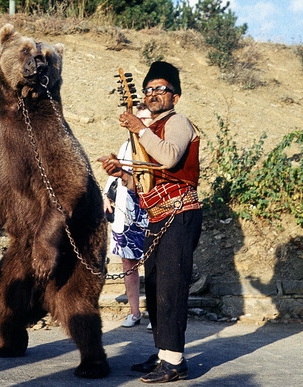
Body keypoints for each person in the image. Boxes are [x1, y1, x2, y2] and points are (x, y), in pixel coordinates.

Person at [100, 61, 202, 383]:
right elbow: (146, 184)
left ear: (175, 96)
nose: (154, 94)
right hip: (158, 218)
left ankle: (175, 362)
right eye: (149, 90)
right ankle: (163, 354)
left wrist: (139, 129)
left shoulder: (178, 122)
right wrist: (123, 175)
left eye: (161, 89)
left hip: (180, 214)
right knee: (157, 286)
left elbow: (170, 158)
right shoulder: (150, 132)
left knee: (171, 285)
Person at [102, 104, 151, 328]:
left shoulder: (155, 145)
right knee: (128, 264)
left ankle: (156, 314)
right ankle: (134, 312)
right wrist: (106, 195)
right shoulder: (125, 146)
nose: (141, 122)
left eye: (146, 118)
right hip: (125, 214)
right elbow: (115, 175)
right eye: (138, 118)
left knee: (154, 266)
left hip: (150, 214)